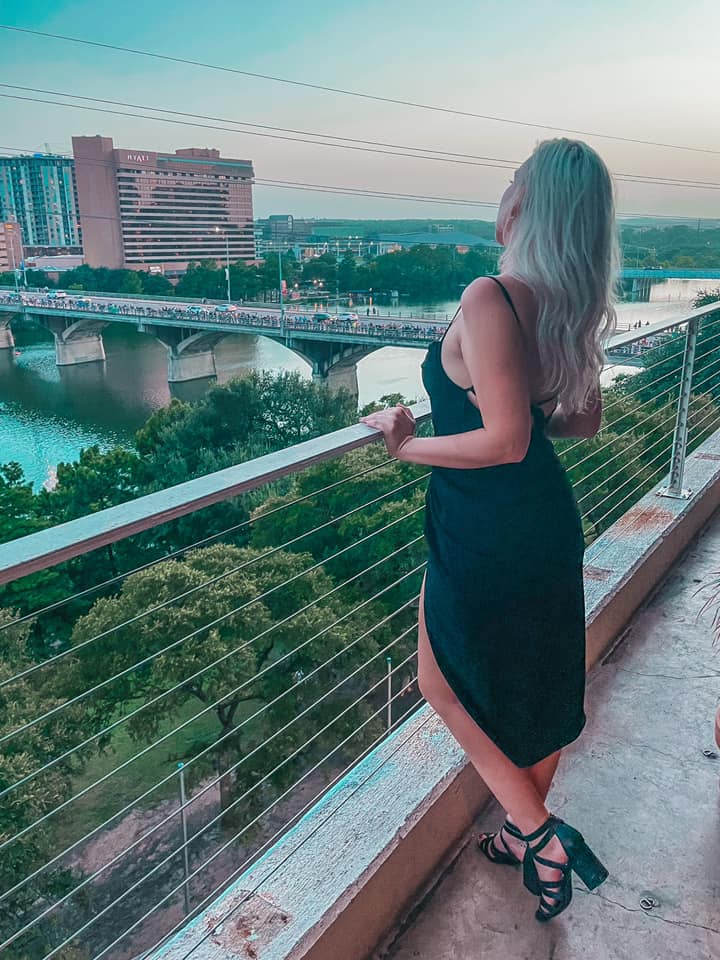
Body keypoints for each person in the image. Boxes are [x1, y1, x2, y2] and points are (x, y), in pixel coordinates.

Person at [360, 138, 617, 923]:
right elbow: (582, 421)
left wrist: (408, 447)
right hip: (541, 522)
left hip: (483, 527)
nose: (500, 192)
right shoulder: (564, 303)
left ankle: (542, 834)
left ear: (524, 206)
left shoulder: (490, 297)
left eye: (511, 182)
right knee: (539, 691)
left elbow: (503, 440)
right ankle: (520, 833)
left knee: (441, 683)